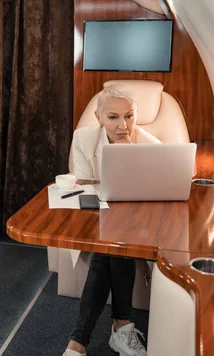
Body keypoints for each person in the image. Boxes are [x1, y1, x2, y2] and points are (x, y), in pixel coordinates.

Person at [64, 85, 158, 356]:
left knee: (111, 245)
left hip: (138, 221)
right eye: (113, 117)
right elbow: (85, 185)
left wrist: (127, 157)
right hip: (99, 217)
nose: (123, 125)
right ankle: (122, 327)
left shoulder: (150, 145)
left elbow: (158, 191)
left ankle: (77, 343)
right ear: (99, 118)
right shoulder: (83, 138)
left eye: (129, 116)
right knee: (111, 245)